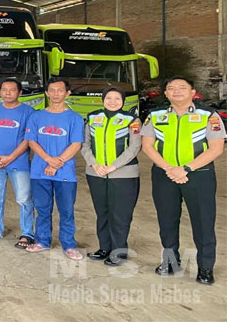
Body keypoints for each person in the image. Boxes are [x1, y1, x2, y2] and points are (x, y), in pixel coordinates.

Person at [142, 76, 224, 285]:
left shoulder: (208, 115)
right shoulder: (155, 115)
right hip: (164, 175)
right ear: (166, 93)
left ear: (192, 92)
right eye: (171, 88)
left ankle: (205, 268)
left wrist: (186, 168)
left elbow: (216, 148)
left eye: (182, 87)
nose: (176, 91)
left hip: (199, 175)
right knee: (167, 221)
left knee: (203, 222)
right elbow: (147, 146)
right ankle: (171, 262)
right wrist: (169, 168)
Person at [24, 78, 84, 260]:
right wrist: (48, 160)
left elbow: (76, 144)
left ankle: (69, 245)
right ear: (47, 93)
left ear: (67, 93)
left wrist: (57, 162)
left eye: (60, 90)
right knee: (42, 209)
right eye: (52, 90)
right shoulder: (36, 117)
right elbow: (31, 141)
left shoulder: (74, 118)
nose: (56, 94)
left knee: (66, 211)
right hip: (39, 171)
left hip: (65, 173)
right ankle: (42, 241)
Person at [81, 86, 141, 267]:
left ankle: (119, 252)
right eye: (109, 98)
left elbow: (134, 147)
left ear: (123, 101)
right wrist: (95, 164)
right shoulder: (93, 118)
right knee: (102, 213)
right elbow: (85, 145)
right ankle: (104, 248)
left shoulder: (132, 120)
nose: (112, 101)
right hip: (96, 173)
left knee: (120, 214)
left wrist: (113, 166)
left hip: (124, 174)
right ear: (103, 99)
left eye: (117, 98)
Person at [0, 79, 36, 247]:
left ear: (20, 93)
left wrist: (10, 158)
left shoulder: (28, 112)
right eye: (4, 89)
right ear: (0, 92)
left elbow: (28, 139)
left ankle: (27, 233)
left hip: (19, 164)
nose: (7, 93)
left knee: (24, 199)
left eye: (12, 90)